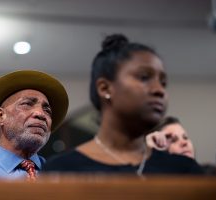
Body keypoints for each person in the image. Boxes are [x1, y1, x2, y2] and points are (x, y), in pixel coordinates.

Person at [43, 34, 203, 175]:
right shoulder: (62, 170)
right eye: (144, 77)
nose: (159, 90)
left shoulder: (184, 170)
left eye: (163, 82)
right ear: (105, 88)